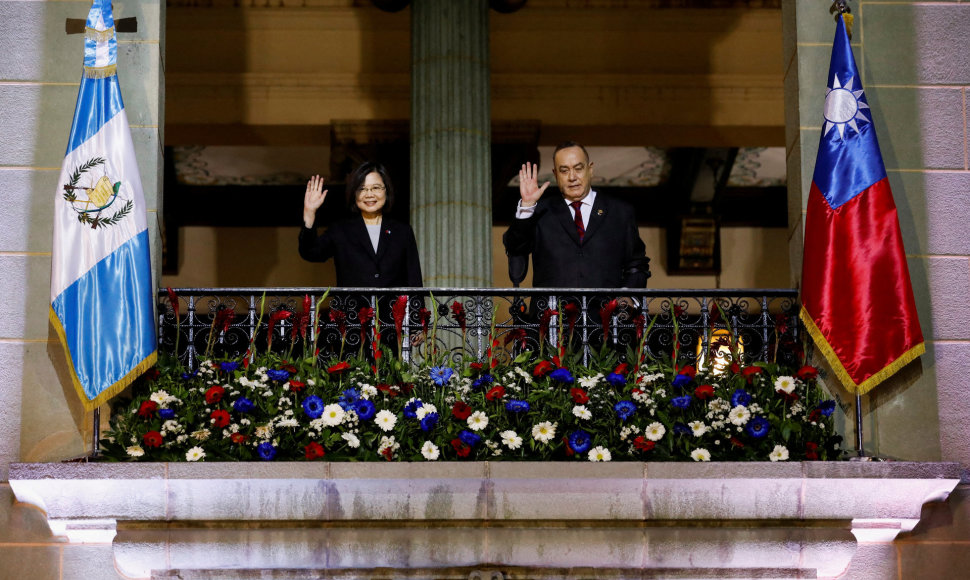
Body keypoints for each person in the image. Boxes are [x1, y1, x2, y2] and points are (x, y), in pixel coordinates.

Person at [503, 142, 650, 288]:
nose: (572, 177)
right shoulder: (540, 211)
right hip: (551, 310)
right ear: (555, 174)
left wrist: (627, 299)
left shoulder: (619, 212)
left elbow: (637, 266)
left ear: (590, 169)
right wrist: (527, 205)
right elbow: (515, 248)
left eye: (578, 169)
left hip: (606, 310)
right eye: (564, 171)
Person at [299, 161, 422, 287]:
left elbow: (414, 278)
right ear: (354, 194)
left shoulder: (402, 231)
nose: (369, 194)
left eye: (376, 188)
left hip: (393, 307)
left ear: (386, 190)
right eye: (362, 189)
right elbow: (310, 253)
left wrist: (418, 306)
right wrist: (309, 212)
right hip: (353, 306)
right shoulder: (341, 230)